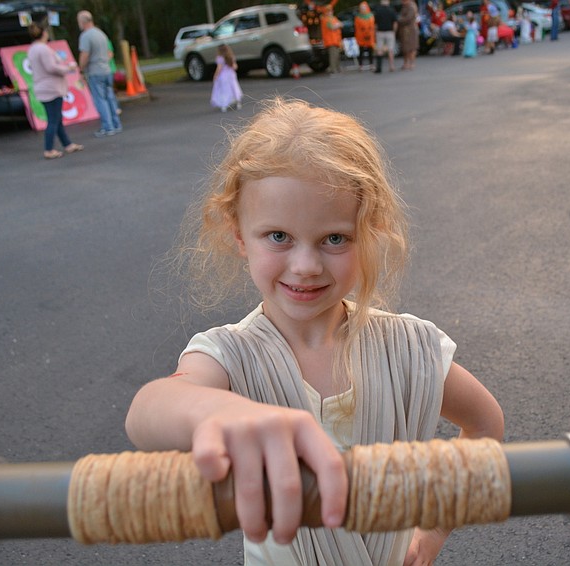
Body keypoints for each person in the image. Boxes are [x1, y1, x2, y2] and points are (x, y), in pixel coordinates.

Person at [125, 98, 504, 566]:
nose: (305, 266)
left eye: (335, 238)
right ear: (240, 235)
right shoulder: (229, 357)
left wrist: (434, 528)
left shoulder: (410, 349)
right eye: (278, 236)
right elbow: (147, 412)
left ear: (370, 232)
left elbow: (486, 424)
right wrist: (211, 410)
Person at [27, 20, 84, 159]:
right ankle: (48, 148)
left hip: (43, 87)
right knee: (53, 119)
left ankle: (67, 144)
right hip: (51, 88)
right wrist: (68, 68)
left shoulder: (33, 49)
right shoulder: (43, 49)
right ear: (44, 33)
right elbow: (51, 67)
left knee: (56, 118)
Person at [77, 10, 122, 137]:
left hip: (95, 71)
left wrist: (80, 68)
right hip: (107, 70)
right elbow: (109, 52)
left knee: (100, 100)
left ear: (83, 22)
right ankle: (116, 124)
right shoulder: (100, 33)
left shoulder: (86, 36)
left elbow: (84, 54)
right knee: (109, 98)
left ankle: (107, 127)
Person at [210, 44, 242, 112]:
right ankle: (237, 101)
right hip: (231, 74)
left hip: (223, 76)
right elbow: (235, 67)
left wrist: (215, 75)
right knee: (234, 88)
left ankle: (224, 104)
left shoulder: (220, 58)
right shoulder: (231, 57)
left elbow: (219, 68)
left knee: (224, 90)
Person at [373, 0, 397, 73]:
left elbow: (375, 24)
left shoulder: (378, 11)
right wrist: (394, 32)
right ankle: (392, 66)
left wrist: (375, 32)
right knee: (390, 50)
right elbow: (395, 22)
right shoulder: (392, 10)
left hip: (380, 32)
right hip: (390, 32)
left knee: (379, 49)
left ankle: (379, 67)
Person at [353, 2, 376, 71]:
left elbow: (372, 26)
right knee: (361, 51)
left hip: (369, 36)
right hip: (361, 36)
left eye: (364, 8)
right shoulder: (358, 17)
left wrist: (369, 33)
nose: (363, 9)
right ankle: (360, 65)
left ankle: (371, 64)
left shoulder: (371, 16)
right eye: (361, 8)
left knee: (370, 51)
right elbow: (357, 28)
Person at [321, 5, 343, 74]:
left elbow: (341, 24)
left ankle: (337, 68)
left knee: (337, 55)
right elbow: (331, 27)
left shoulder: (334, 18)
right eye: (328, 11)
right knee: (333, 56)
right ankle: (333, 69)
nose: (330, 12)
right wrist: (337, 25)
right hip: (330, 41)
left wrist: (337, 25)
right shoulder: (325, 19)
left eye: (330, 11)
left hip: (336, 40)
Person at [397, 0, 419, 70]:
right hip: (405, 30)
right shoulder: (405, 6)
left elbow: (408, 18)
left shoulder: (411, 7)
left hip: (410, 30)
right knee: (405, 47)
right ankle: (406, 63)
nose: (402, 2)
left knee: (411, 47)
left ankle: (411, 63)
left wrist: (399, 19)